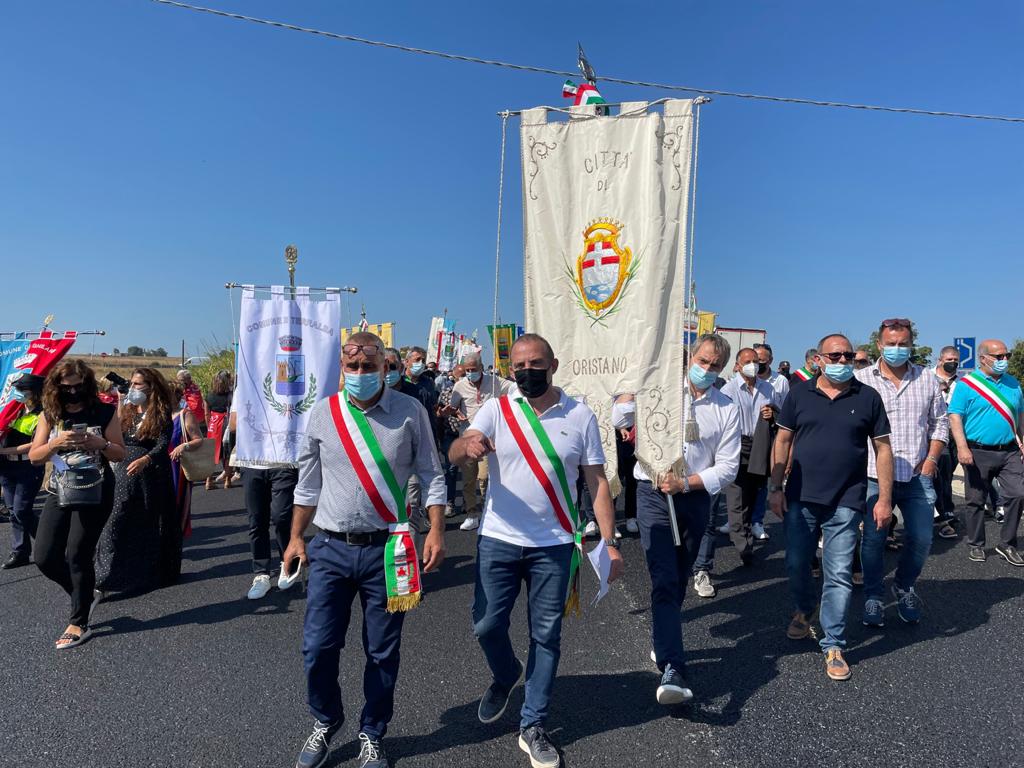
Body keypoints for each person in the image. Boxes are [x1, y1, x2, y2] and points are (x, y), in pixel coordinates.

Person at [450, 333, 623, 768]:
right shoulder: (497, 408)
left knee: (546, 636)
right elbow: (457, 449)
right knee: (486, 625)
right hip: (500, 539)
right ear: (510, 370)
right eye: (519, 365)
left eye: (535, 364)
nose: (526, 371)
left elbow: (597, 481)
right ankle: (507, 674)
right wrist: (467, 447)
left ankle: (533, 724)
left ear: (554, 364)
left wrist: (609, 540)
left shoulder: (580, 415)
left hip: (555, 544)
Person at [286, 332, 447, 768]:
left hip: (389, 550)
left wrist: (435, 531)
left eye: (369, 367)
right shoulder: (323, 414)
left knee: (382, 651)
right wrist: (296, 536)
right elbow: (308, 483)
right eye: (352, 368)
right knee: (318, 647)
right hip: (331, 548)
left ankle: (372, 731)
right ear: (342, 367)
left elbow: (432, 473)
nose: (359, 374)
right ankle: (326, 719)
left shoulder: (410, 412)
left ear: (385, 367)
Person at [769, 333, 893, 681]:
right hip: (801, 497)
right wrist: (775, 487)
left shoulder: (867, 397)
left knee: (838, 572)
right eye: (834, 356)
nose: (842, 362)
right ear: (819, 359)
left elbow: (883, 449)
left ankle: (833, 644)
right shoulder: (799, 394)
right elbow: (782, 441)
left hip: (847, 500)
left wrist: (884, 498)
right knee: (796, 563)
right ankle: (806, 608)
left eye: (848, 356)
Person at [635, 333, 740, 700]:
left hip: (694, 498)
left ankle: (663, 638)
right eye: (703, 361)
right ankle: (673, 668)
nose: (706, 369)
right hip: (652, 494)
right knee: (663, 577)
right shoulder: (658, 391)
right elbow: (619, 416)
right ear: (690, 357)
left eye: (715, 366)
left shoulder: (726, 406)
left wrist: (688, 483)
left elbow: (727, 468)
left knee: (679, 578)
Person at [854, 319, 948, 626]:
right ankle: (873, 596)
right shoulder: (861, 379)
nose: (897, 349)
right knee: (872, 540)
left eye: (903, 343)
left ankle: (904, 586)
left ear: (912, 345)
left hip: (917, 474)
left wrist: (932, 459)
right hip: (871, 475)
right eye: (891, 344)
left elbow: (939, 423)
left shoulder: (927, 379)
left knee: (921, 538)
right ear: (879, 346)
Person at [29, 359, 125, 649]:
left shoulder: (104, 411)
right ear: (56, 387)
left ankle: (79, 623)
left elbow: (120, 453)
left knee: (78, 553)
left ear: (87, 384)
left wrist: (101, 445)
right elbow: (35, 456)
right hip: (60, 490)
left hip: (95, 490)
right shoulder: (50, 414)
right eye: (66, 386)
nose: (73, 392)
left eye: (78, 385)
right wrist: (56, 444)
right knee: (44, 556)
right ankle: (82, 593)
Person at [95, 368, 180, 594]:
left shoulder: (160, 413)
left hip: (149, 474)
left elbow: (163, 444)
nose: (133, 388)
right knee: (114, 518)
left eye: (138, 384)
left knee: (146, 521)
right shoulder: (129, 411)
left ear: (151, 387)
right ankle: (102, 575)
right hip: (121, 472)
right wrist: (122, 403)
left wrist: (145, 459)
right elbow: (117, 434)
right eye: (131, 383)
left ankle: (146, 572)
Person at [947, 339, 1024, 566]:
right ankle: (976, 544)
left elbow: (1020, 415)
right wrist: (962, 447)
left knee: (1018, 494)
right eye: (999, 357)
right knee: (976, 500)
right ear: (983, 359)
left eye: (1006, 356)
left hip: (1009, 450)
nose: (1004, 361)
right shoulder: (967, 384)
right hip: (977, 451)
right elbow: (955, 416)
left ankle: (1007, 544)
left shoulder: (1013, 384)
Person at [719, 347, 781, 568]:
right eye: (747, 361)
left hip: (760, 445)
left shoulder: (768, 389)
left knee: (754, 494)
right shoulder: (728, 390)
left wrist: (772, 414)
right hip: (736, 445)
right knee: (737, 496)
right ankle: (743, 545)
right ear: (737, 365)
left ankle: (747, 530)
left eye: (756, 361)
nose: (753, 365)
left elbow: (778, 415)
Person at [446, 351, 515, 532]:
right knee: (468, 480)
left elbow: (514, 389)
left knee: (484, 477)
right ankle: (471, 514)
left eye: (473, 369)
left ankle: (487, 510)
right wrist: (454, 412)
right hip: (467, 437)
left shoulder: (494, 382)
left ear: (482, 368)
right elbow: (453, 407)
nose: (470, 373)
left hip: (489, 439)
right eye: (467, 370)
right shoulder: (459, 386)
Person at [0, 374, 47, 569]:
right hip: (7, 466)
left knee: (21, 510)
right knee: (13, 511)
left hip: (28, 466)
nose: (16, 393)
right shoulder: (13, 410)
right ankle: (20, 551)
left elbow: (33, 445)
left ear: (34, 393)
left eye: (21, 389)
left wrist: (3, 450)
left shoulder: (43, 414)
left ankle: (48, 544)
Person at [169, 382, 206, 539]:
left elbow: (199, 439)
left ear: (175, 396)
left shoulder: (185, 415)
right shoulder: (158, 414)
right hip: (159, 465)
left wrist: (184, 446)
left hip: (178, 466)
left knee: (176, 504)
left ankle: (175, 536)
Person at [932, 346, 960, 538]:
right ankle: (943, 514)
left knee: (947, 476)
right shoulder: (926, 377)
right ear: (940, 360)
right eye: (949, 359)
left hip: (955, 434)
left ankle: (945, 510)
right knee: (938, 474)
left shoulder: (962, 383)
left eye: (956, 361)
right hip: (934, 434)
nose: (952, 363)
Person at [435, 364, 466, 518]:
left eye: (464, 375)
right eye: (459, 375)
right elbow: (439, 415)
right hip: (451, 435)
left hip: (468, 434)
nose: (462, 379)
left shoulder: (476, 392)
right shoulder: (446, 393)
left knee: (470, 471)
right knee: (451, 469)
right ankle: (450, 502)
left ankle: (470, 502)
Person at [611, 393, 639, 534]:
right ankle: (611, 520)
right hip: (613, 436)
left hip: (634, 435)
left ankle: (631, 516)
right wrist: (620, 427)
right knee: (614, 478)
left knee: (632, 478)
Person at [204, 370, 235, 491]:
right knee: (227, 451)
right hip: (226, 422)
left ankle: (208, 480)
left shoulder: (209, 395)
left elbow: (207, 413)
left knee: (212, 452)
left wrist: (209, 426)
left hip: (214, 423)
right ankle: (227, 480)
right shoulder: (231, 395)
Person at [176, 369, 207, 434]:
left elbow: (194, 407)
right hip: (190, 419)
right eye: (178, 380)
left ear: (188, 379)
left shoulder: (193, 389)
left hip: (192, 420)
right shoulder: (189, 388)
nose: (179, 382)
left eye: (181, 380)